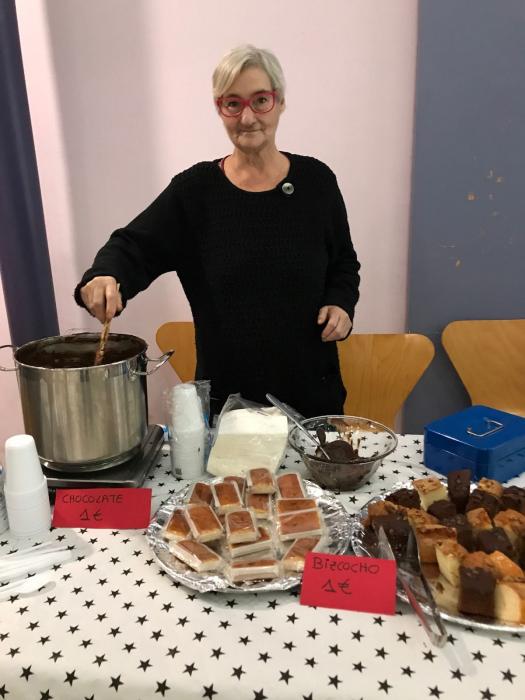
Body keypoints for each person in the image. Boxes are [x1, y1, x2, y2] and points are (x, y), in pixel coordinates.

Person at [75, 44, 360, 418]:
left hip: (313, 403)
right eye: (233, 104)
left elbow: (343, 263)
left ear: (280, 102)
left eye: (260, 100)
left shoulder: (317, 182)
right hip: (228, 409)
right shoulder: (195, 192)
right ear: (219, 108)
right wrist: (104, 276)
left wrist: (341, 303)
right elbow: (134, 246)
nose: (247, 117)